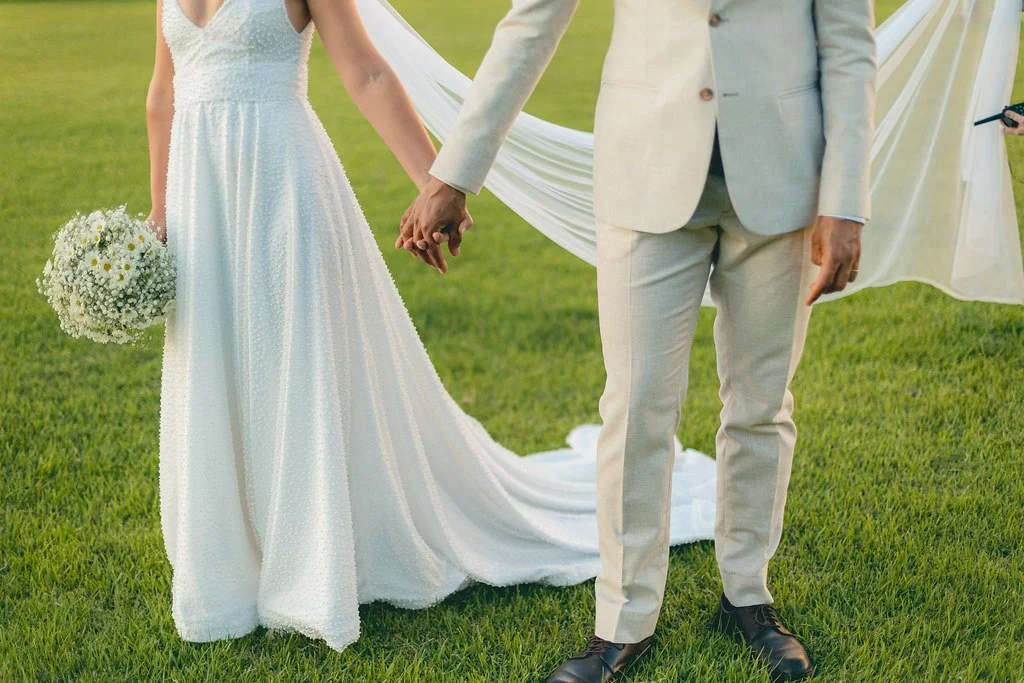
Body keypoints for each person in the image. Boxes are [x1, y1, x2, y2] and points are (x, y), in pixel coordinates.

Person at [146, 0, 717, 656]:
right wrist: (162, 216)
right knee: (215, 370)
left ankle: (305, 568)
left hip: (281, 191)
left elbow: (367, 74)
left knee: (293, 371)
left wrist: (435, 183)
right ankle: (230, 567)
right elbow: (163, 93)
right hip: (200, 202)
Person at [400, 0, 877, 680]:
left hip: (784, 179)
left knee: (762, 404)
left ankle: (748, 596)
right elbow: (533, 22)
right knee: (636, 408)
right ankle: (623, 622)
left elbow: (849, 44)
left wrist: (846, 200)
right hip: (645, 171)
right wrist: (453, 175)